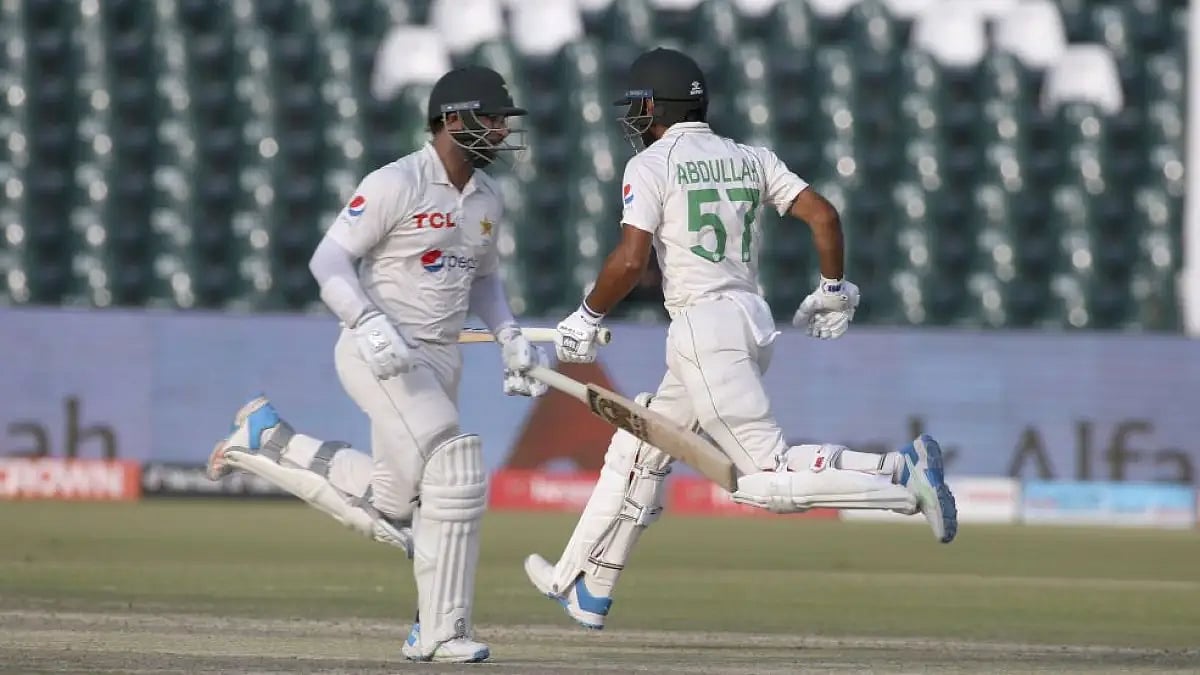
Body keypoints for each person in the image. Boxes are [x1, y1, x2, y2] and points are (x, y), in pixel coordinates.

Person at [523, 48, 958, 630]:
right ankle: (586, 586)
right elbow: (824, 216)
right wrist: (833, 286)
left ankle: (902, 483)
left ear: (657, 106)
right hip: (750, 320)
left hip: (702, 328)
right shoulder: (750, 157)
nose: (633, 118)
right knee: (636, 450)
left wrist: (585, 313)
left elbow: (630, 261)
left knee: (760, 480)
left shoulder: (650, 164)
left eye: (638, 106)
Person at [206, 66, 547, 663]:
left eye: (501, 122)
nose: (499, 132)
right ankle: (441, 631)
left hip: (441, 358)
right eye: (490, 120)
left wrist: (510, 334)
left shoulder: (489, 198)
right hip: (382, 356)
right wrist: (366, 322)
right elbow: (328, 262)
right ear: (451, 120)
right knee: (457, 464)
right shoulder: (397, 181)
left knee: (393, 509)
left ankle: (267, 440)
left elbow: (486, 281)